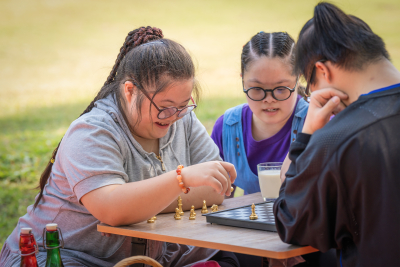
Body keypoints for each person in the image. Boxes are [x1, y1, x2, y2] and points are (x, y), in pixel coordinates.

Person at [0, 26, 237, 267]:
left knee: (230, 259)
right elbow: (112, 210)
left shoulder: (181, 117)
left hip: (150, 257)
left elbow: (217, 188)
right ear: (130, 91)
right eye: (165, 105)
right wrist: (181, 180)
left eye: (184, 104)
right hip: (66, 256)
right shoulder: (92, 131)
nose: (174, 115)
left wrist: (138, 204)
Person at [273, 2, 400, 267]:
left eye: (311, 88)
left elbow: (291, 221)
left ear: (323, 71)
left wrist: (307, 136)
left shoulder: (338, 139)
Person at [211, 31, 308, 198]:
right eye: (257, 89)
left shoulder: (317, 121)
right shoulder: (227, 127)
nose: (269, 99)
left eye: (280, 89)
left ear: (298, 79)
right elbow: (218, 201)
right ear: (242, 80)